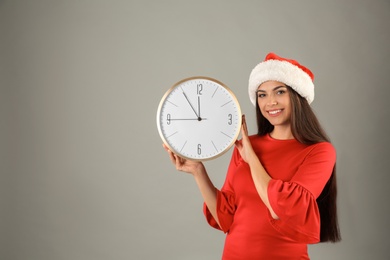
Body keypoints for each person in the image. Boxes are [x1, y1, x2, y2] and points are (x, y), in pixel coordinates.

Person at [163, 52, 341, 259]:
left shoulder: (319, 151)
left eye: (280, 92)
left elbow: (281, 209)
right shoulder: (249, 146)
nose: (270, 102)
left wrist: (252, 158)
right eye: (262, 95)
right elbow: (225, 220)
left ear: (298, 96)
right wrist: (197, 171)